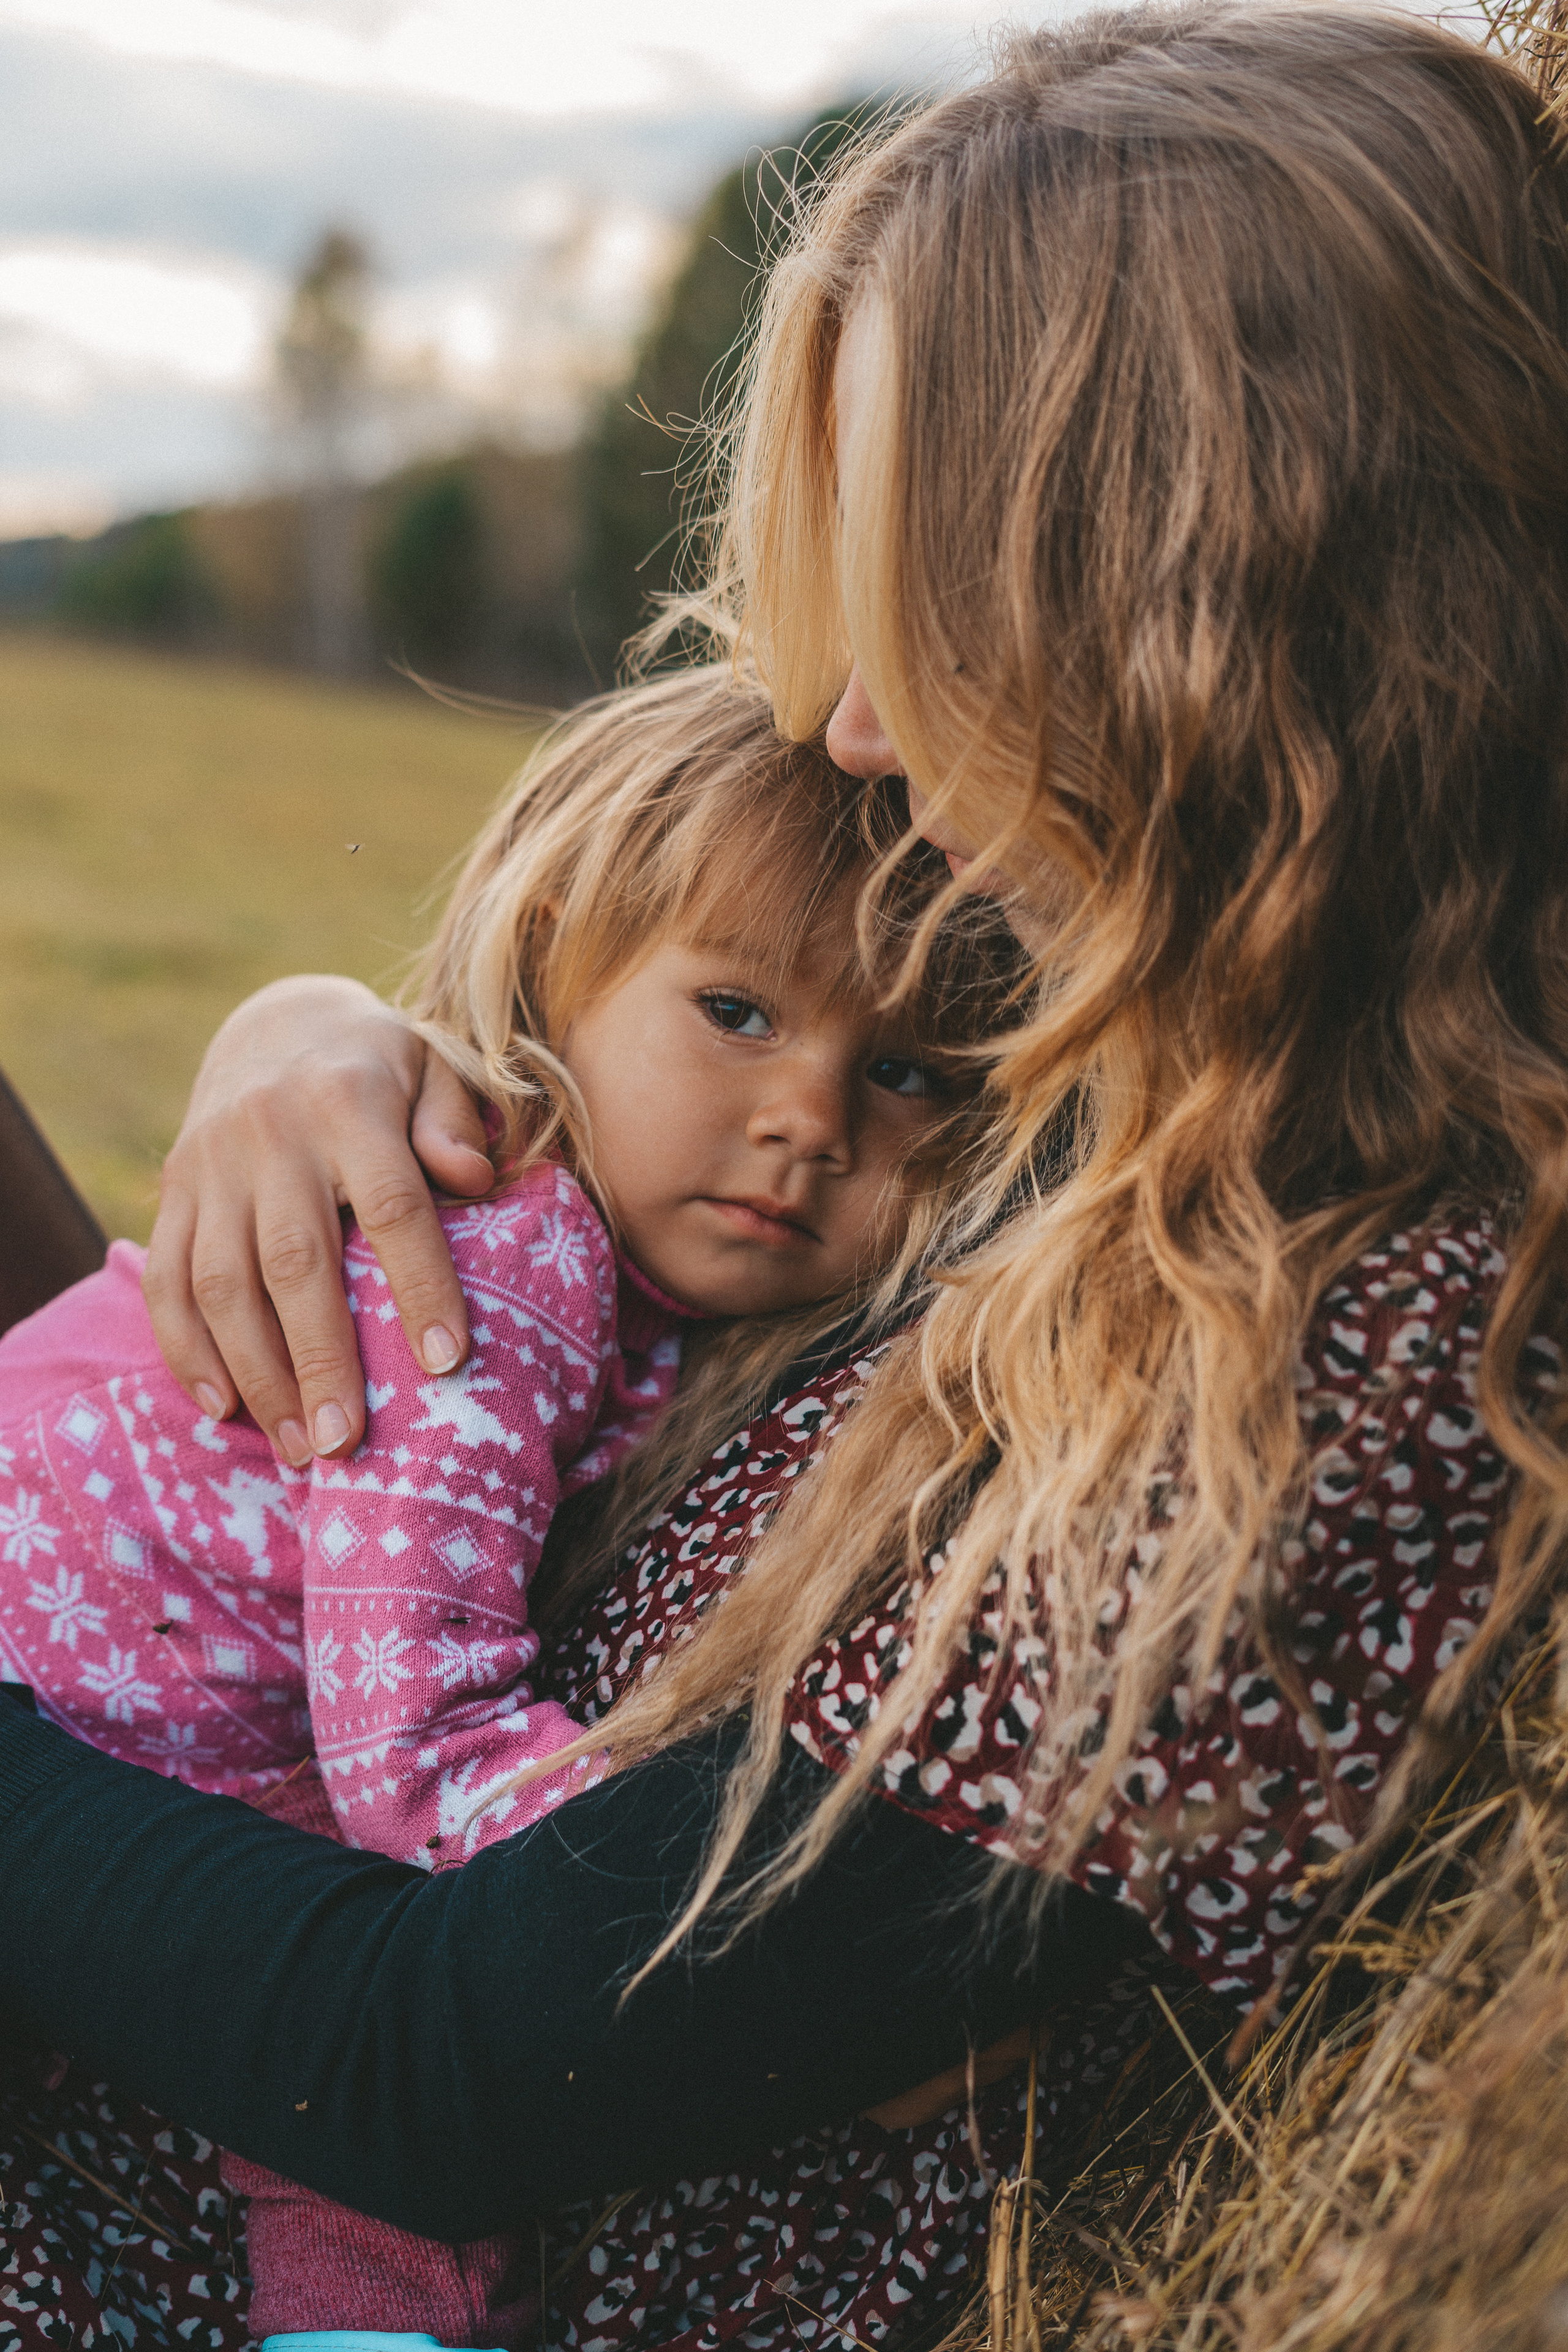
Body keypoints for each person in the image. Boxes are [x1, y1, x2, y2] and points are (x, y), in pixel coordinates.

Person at [5, 7, 1568, 2348]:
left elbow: (443, 2065)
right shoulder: (1112, 1086)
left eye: (929, 610)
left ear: (1201, 610)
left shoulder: (1355, 1344)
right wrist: (311, 1035)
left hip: (267, 2232)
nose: (850, 724)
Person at [0, 666, 1021, 2352]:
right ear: (562, 958)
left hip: (176, 1734)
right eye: (740, 1012)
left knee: (370, 2187)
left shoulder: (640, 1295)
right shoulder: (499, 1261)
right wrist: (782, 1971)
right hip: (83, 1693)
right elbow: (418, 1742)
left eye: (908, 1073)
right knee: (395, 2141)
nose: (808, 1120)